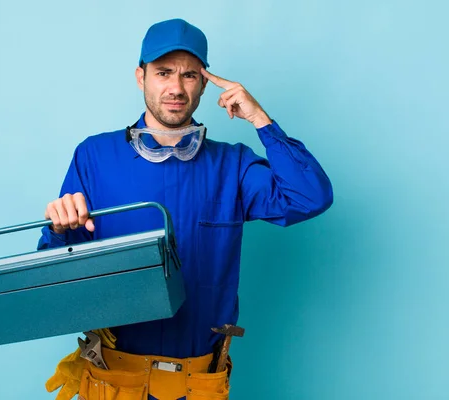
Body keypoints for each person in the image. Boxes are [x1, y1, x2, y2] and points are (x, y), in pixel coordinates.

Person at [39, 18, 333, 400]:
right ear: (140, 76)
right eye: (163, 73)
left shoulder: (233, 165)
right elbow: (54, 273)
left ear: (204, 83)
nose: (176, 88)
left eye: (190, 76)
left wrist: (260, 119)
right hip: (113, 381)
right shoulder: (94, 156)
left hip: (197, 385)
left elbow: (310, 196)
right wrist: (59, 228)